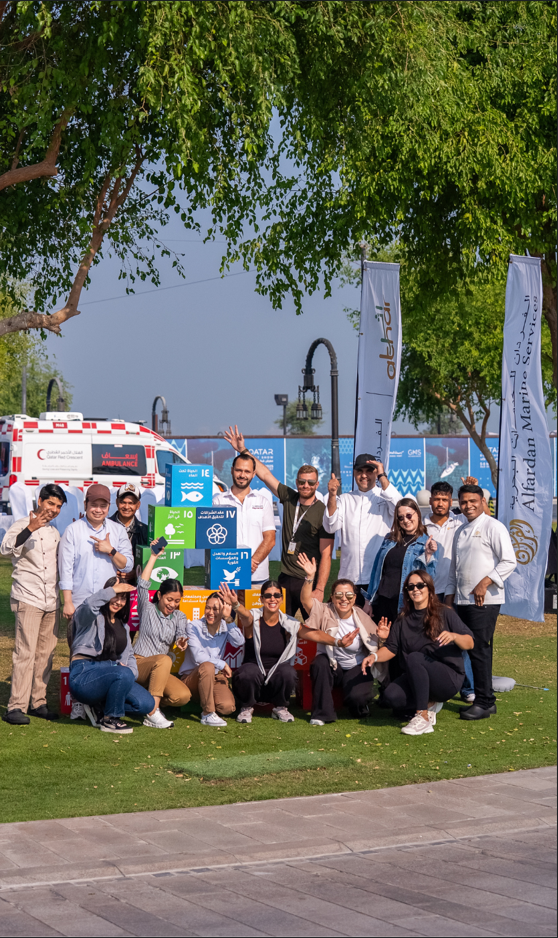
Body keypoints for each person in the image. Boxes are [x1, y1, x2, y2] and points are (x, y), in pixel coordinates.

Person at [224, 425, 334, 618]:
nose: (305, 486)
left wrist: (320, 587)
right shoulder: (290, 497)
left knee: (312, 629)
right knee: (282, 626)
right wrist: (243, 450)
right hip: (284, 578)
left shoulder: (322, 511)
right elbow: (265, 474)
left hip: (307, 579)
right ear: (296, 482)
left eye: (310, 482)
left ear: (317, 484)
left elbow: (326, 554)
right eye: (301, 482)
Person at [220, 580, 360, 724]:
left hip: (276, 680)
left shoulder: (289, 623)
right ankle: (246, 707)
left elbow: (315, 634)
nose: (272, 599)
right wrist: (236, 604)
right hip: (253, 678)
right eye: (268, 596)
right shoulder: (254, 618)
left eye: (276, 595)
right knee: (248, 672)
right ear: (261, 599)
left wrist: (338, 642)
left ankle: (280, 707)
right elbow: (245, 616)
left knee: (288, 672)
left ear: (281, 599)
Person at [361, 571, 474, 736]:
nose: (416, 589)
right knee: (391, 697)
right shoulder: (402, 619)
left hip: (448, 678)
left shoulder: (445, 613)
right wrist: (375, 656)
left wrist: (454, 636)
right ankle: (430, 704)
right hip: (418, 676)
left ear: (429, 588)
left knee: (415, 657)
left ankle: (423, 717)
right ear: (406, 592)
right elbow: (391, 648)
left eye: (420, 585)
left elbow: (470, 643)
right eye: (410, 587)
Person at [444, 484, 517, 721]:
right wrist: (449, 596)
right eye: (464, 502)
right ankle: (483, 699)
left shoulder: (493, 526)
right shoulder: (460, 531)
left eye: (473, 501)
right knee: (468, 649)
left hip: (485, 601)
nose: (468, 506)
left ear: (482, 501)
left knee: (479, 650)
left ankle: (484, 702)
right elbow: (455, 569)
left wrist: (485, 582)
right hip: (462, 600)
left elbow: (509, 561)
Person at [297, 552, 389, 725]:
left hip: (356, 667)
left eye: (349, 595)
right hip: (333, 665)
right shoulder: (324, 610)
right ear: (332, 597)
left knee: (357, 699)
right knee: (319, 662)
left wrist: (382, 638)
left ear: (355, 598)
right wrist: (310, 577)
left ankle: (359, 704)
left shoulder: (361, 616)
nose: (344, 599)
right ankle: (322, 714)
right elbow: (306, 601)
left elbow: (377, 648)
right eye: (339, 595)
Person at [1, 484, 67, 725]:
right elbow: (5, 549)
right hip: (27, 597)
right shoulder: (21, 524)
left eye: (58, 506)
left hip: (52, 600)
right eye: (50, 503)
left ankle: (38, 702)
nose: (53, 510)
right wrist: (30, 528)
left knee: (46, 654)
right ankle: (15, 707)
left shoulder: (54, 532)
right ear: (40, 501)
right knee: (25, 653)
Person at [69, 579, 155, 733]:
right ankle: (110, 719)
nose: (119, 602)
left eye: (123, 598)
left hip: (115, 675)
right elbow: (89, 605)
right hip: (84, 673)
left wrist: (130, 673)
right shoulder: (89, 617)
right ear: (107, 593)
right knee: (121, 673)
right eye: (116, 595)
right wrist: (114, 589)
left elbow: (129, 657)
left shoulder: (124, 626)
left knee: (146, 704)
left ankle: (99, 707)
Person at [323, 454, 401, 607]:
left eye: (369, 471)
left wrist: (382, 476)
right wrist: (332, 495)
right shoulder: (345, 499)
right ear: (354, 473)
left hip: (379, 578)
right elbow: (330, 526)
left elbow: (400, 508)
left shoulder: (385, 498)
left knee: (379, 626)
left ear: (376, 473)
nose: (364, 475)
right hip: (349, 577)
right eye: (360, 471)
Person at [424, 480, 474, 703]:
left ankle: (468, 688)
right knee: (427, 639)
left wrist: (474, 486)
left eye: (445, 499)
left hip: (451, 592)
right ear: (430, 500)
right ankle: (431, 681)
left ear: (451, 501)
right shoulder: (422, 525)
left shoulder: (460, 521)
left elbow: (480, 511)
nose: (440, 503)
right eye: (437, 499)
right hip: (426, 594)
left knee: (458, 639)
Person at [133, 543, 191, 728]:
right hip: (140, 662)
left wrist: (182, 641)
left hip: (161, 670)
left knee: (183, 696)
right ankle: (152, 713)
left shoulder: (180, 616)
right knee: (164, 660)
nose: (173, 604)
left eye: (177, 601)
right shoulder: (147, 609)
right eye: (169, 599)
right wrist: (154, 557)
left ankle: (145, 703)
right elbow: (142, 584)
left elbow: (182, 633)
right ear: (159, 595)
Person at [59, 483, 134, 620]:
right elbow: (66, 570)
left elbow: (128, 565)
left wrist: (111, 551)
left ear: (109, 507)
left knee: (108, 640)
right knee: (80, 641)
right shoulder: (73, 530)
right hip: (80, 601)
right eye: (94, 504)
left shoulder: (118, 530)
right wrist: (68, 602)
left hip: (109, 602)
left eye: (103, 506)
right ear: (85, 504)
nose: (98, 510)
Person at [364, 498, 439, 626]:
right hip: (383, 601)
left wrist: (428, 555)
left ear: (417, 514)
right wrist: (368, 601)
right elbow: (376, 570)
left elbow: (429, 579)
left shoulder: (426, 544)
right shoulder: (389, 539)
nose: (406, 520)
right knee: (382, 642)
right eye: (401, 517)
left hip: (406, 603)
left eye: (409, 515)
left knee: (404, 643)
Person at [179, 591, 245, 726]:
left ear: (223, 610)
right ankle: (207, 713)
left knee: (227, 708)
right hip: (192, 677)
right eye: (208, 607)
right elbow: (199, 657)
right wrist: (222, 664)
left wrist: (229, 620)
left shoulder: (226, 626)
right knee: (207, 666)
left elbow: (239, 642)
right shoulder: (193, 626)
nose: (210, 612)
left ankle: (207, 700)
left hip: (215, 677)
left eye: (215, 609)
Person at [213, 452, 275, 586]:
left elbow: (270, 539)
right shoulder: (218, 501)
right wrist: (239, 563)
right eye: (238, 470)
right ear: (232, 470)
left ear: (253, 474)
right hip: (227, 576)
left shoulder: (263, 502)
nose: (242, 475)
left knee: (256, 608)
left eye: (247, 471)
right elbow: (215, 541)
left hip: (258, 574)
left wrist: (251, 562)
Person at [111, 483, 149, 555]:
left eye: (131, 503)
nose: (126, 507)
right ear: (116, 502)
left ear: (138, 505)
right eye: (123, 502)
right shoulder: (105, 526)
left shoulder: (145, 532)